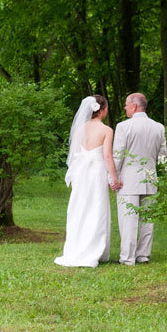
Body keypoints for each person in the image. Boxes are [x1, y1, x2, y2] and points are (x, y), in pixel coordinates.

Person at [55, 95, 121, 268]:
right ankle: (93, 249)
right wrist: (114, 178)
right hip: (97, 173)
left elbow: (76, 153)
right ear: (103, 109)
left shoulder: (79, 129)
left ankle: (76, 248)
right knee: (97, 208)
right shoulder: (106, 130)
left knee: (80, 208)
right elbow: (107, 156)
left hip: (81, 173)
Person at [113, 93, 167, 265]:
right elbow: (163, 155)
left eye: (127, 105)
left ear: (134, 106)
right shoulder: (159, 127)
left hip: (128, 180)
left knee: (128, 219)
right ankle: (143, 255)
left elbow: (118, 156)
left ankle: (127, 257)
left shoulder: (123, 127)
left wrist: (112, 177)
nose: (125, 107)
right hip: (150, 178)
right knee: (147, 220)